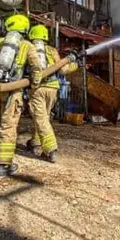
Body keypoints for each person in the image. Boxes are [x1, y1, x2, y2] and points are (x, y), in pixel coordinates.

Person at [0, 14, 42, 178]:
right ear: (25, 29)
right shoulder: (27, 45)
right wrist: (34, 85)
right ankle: (4, 166)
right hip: (12, 91)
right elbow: (37, 68)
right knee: (8, 127)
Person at [25, 24, 78, 163]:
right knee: (44, 117)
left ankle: (50, 149)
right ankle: (35, 142)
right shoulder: (51, 50)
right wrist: (75, 65)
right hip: (52, 88)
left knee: (40, 118)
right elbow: (63, 70)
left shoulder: (28, 49)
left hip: (37, 88)